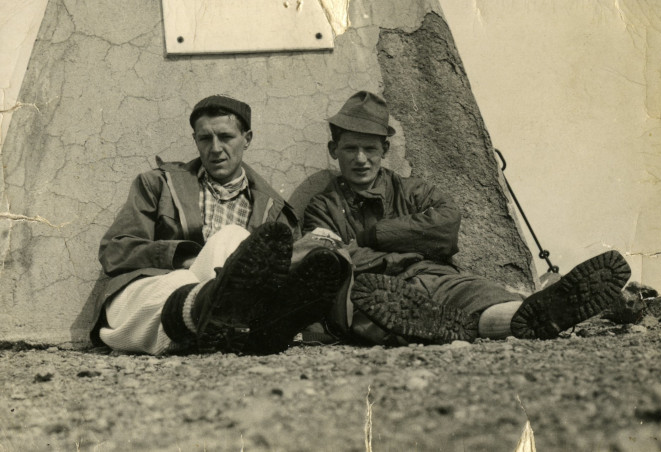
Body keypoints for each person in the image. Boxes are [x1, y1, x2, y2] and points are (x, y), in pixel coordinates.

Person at [303, 91, 632, 345]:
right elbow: (330, 263)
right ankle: (465, 325)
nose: (361, 159)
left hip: (436, 277)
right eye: (350, 149)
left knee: (480, 294)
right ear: (335, 150)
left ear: (385, 150)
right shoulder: (323, 208)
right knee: (373, 310)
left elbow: (446, 224)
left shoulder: (411, 191)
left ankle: (541, 313)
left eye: (370, 149)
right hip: (375, 290)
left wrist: (370, 237)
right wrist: (402, 245)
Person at [92, 94, 344, 355]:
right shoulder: (158, 185)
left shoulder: (275, 211)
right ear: (195, 140)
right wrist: (181, 257)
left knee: (235, 239)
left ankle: (238, 324)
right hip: (154, 289)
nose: (215, 148)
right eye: (205, 138)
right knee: (183, 277)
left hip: (227, 316)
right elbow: (113, 251)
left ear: (247, 139)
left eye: (225, 137)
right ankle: (218, 312)